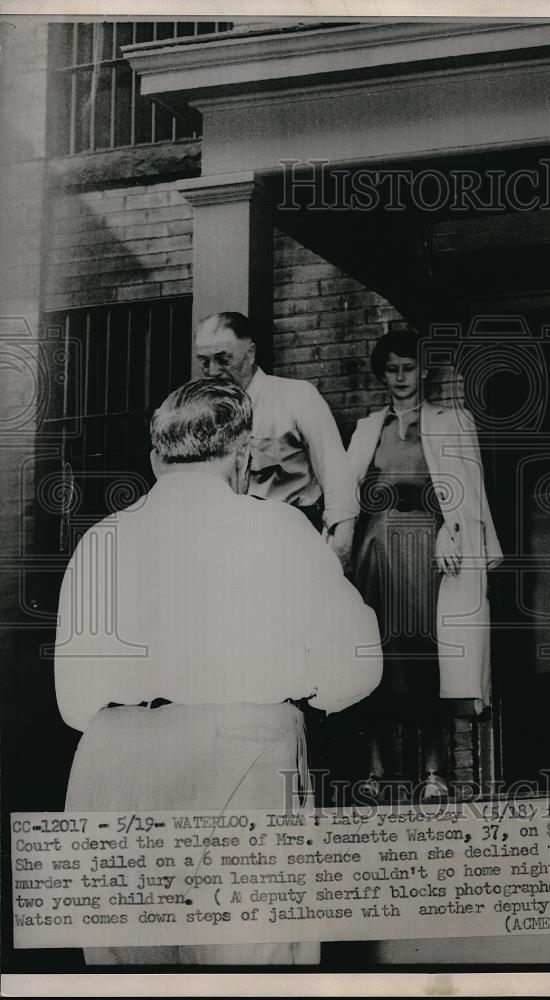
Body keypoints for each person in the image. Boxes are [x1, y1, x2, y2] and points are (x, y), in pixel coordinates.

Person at [54, 378, 382, 965]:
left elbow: (73, 702)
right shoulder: (278, 528)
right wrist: (302, 698)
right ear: (243, 455)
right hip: (244, 752)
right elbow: (356, 668)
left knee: (129, 974)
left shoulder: (99, 540)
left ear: (157, 458)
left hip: (113, 761)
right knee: (248, 966)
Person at [346, 331, 502, 798]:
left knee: (426, 657)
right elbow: (346, 491)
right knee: (374, 657)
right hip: (375, 549)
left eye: (408, 368)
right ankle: (376, 772)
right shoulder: (368, 427)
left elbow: (465, 495)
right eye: (391, 370)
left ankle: (435, 773)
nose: (400, 378)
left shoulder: (453, 421)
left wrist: (447, 531)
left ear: (425, 370)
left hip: (430, 552)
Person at [194, 311, 357, 570]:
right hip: (233, 545)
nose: (212, 371)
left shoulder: (296, 396)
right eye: (204, 361)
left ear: (250, 353)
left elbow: (335, 469)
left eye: (223, 359)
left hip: (295, 538)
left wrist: (342, 542)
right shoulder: (201, 413)